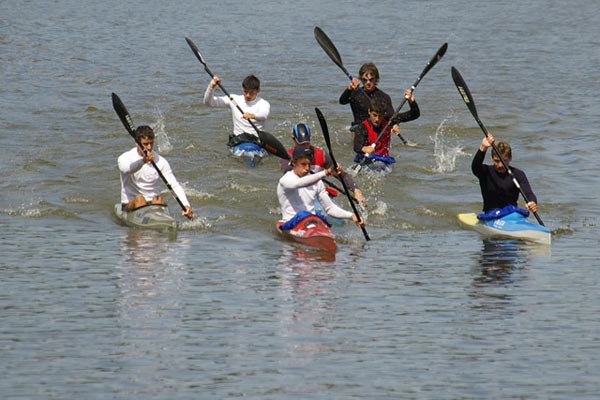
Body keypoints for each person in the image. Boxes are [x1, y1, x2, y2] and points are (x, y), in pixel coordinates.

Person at [279, 123, 367, 206]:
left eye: (307, 144)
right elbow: (290, 178)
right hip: (298, 196)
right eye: (301, 144)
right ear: (293, 139)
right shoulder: (286, 157)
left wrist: (356, 190)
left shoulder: (322, 155)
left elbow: (342, 175)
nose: (304, 147)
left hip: (317, 195)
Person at [277, 146, 365, 227]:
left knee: (320, 218)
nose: (307, 168)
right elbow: (299, 183)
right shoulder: (285, 180)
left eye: (309, 164)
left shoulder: (317, 182)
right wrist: (326, 172)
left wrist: (352, 216)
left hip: (311, 223)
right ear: (294, 163)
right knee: (304, 215)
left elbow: (330, 208)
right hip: (290, 223)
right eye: (303, 164)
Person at [118, 125, 193, 218]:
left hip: (152, 204)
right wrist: (143, 161)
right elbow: (126, 170)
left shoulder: (161, 161)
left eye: (151, 143)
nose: (149, 147)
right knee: (139, 199)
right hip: (130, 204)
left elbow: (174, 185)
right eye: (145, 144)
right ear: (136, 143)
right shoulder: (125, 157)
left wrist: (186, 205)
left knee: (159, 199)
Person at [339, 62, 420, 131]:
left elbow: (414, 115)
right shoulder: (355, 93)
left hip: (377, 133)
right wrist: (349, 89)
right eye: (364, 80)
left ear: (376, 79)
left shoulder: (384, 97)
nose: (368, 82)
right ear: (361, 79)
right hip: (359, 131)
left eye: (371, 79)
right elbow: (342, 101)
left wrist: (411, 101)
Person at [472, 133, 538, 213]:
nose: (500, 165)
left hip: (512, 214)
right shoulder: (485, 172)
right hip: (491, 215)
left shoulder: (518, 174)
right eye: (497, 161)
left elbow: (529, 193)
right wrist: (483, 147)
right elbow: (475, 167)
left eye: (504, 161)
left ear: (510, 158)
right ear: (492, 158)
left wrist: (532, 202)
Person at [203, 74, 270, 148]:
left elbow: (263, 116)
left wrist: (253, 116)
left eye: (251, 93)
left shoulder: (263, 103)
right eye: (245, 91)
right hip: (238, 141)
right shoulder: (234, 99)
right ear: (242, 89)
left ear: (258, 91)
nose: (248, 95)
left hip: (256, 141)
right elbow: (208, 103)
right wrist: (211, 87)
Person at [353, 97, 415, 164]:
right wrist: (364, 149)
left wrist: (412, 102)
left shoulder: (389, 121)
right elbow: (356, 146)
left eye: (380, 116)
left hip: (383, 160)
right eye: (374, 115)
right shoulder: (362, 127)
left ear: (384, 114)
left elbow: (414, 114)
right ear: (369, 112)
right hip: (367, 160)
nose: (377, 119)